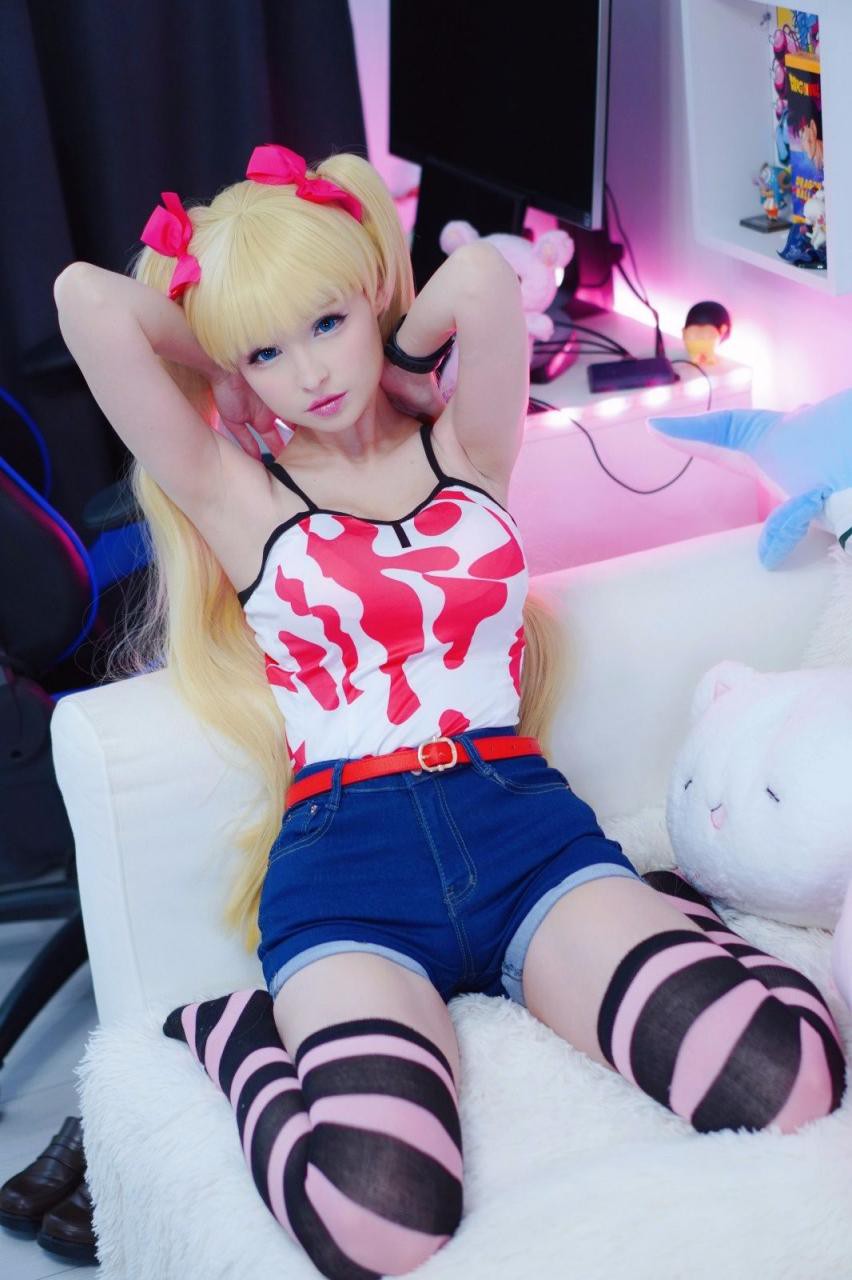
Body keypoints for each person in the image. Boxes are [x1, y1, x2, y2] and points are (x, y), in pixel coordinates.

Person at [54, 143, 846, 1280]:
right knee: (379, 1221)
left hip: (523, 832)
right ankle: (238, 1036)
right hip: (349, 867)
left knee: (791, 1078)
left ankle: (664, 914)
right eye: (268, 353)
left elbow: (477, 281)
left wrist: (398, 344)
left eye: (326, 323)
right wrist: (223, 348)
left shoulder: (467, 443)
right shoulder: (237, 492)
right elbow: (85, 300)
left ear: (370, 295)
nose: (307, 373)